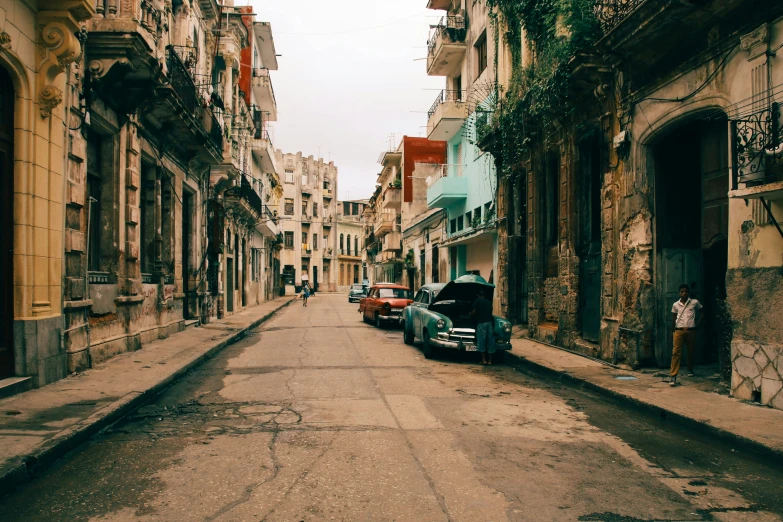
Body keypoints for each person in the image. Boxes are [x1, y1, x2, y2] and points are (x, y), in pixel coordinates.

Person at [669, 284, 703, 386]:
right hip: (679, 330)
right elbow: (674, 318)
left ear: (688, 293)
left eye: (686, 291)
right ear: (679, 293)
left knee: (690, 351)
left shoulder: (694, 302)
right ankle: (673, 375)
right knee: (676, 352)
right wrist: (672, 331)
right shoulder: (675, 305)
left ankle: (690, 369)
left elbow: (703, 312)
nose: (684, 293)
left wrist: (697, 325)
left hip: (691, 330)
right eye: (682, 292)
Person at [472, 289, 495, 365]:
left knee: (481, 341)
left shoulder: (477, 300)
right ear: (484, 295)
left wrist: (471, 314)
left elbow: (474, 312)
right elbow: (491, 310)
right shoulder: (489, 302)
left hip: (481, 323)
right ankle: (490, 361)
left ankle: (483, 360)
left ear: (478, 295)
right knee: (490, 341)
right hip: (489, 323)